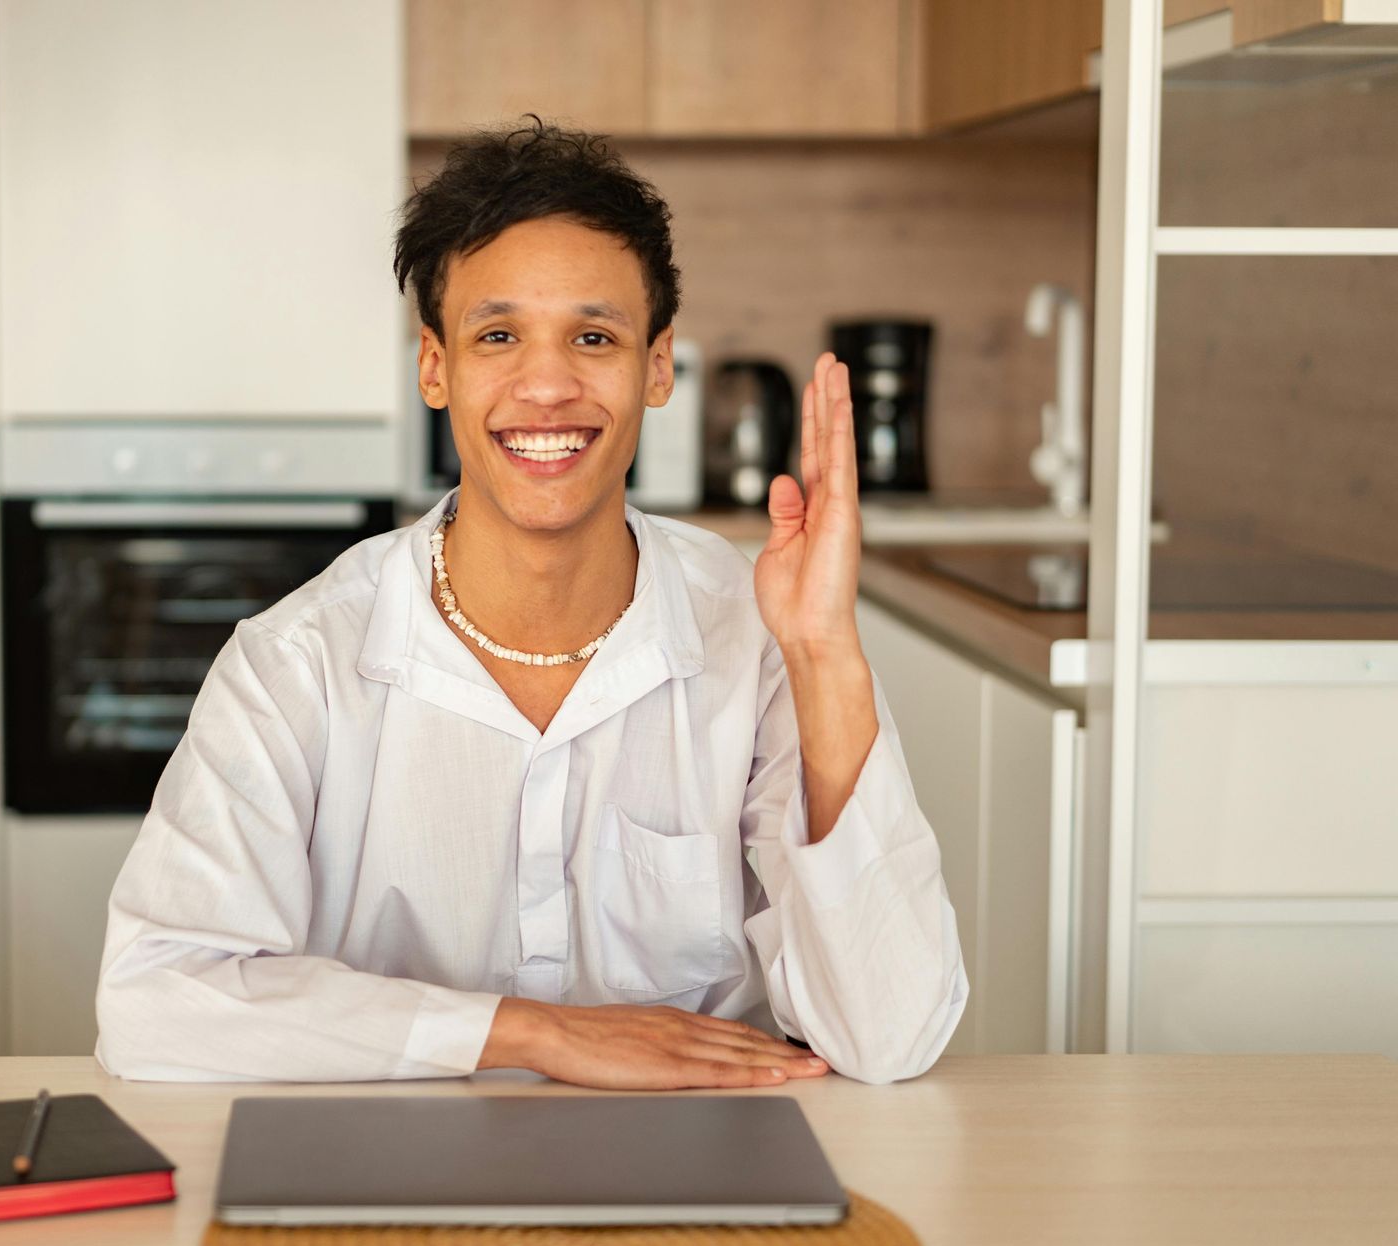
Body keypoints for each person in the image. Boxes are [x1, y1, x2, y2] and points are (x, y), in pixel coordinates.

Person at [94, 120, 967, 1089]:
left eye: (593, 337)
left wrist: (823, 654)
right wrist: (529, 1031)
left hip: (692, 1182)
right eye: (497, 334)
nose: (547, 385)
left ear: (657, 364)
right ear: (436, 366)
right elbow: (152, 1001)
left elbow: (890, 1035)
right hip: (388, 1188)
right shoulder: (295, 662)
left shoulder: (758, 641)